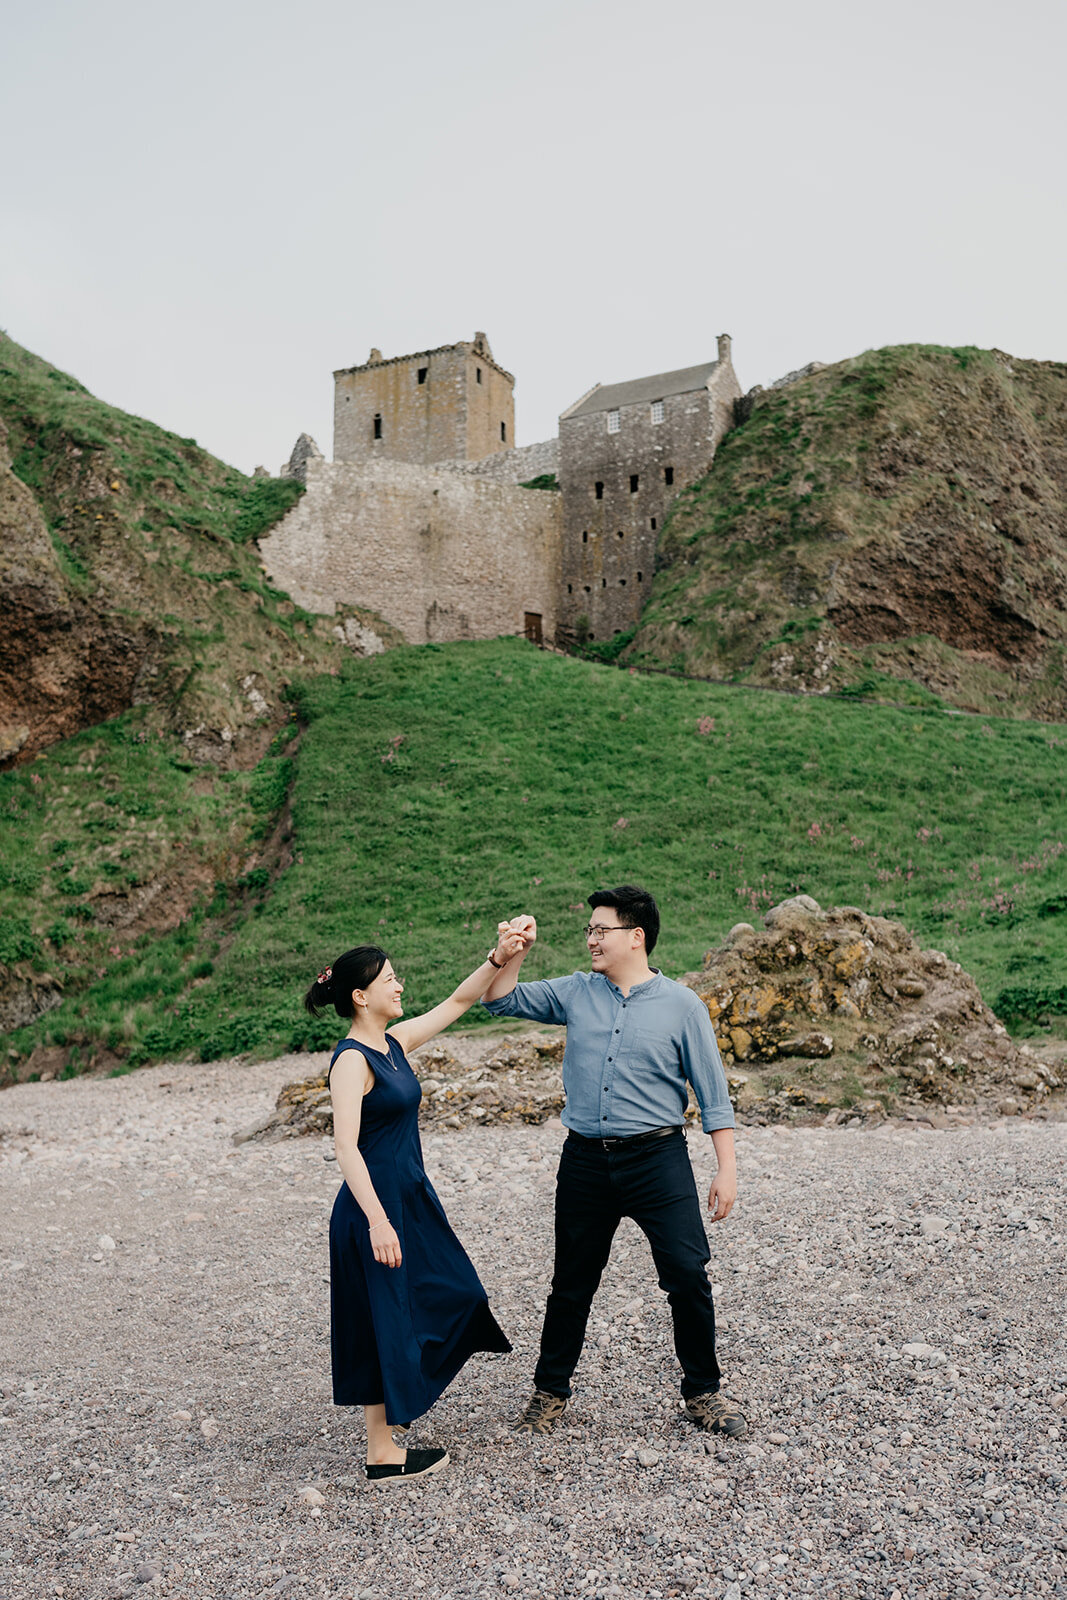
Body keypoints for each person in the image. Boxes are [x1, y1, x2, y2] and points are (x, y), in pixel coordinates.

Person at [482, 885, 746, 1440]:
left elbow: (712, 1094)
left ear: (636, 936)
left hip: (658, 1158)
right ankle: (550, 1392)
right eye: (590, 930)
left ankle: (704, 1393)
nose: (592, 938)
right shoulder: (577, 991)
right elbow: (500, 999)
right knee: (571, 1283)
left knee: (687, 1276)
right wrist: (514, 952)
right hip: (584, 1160)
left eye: (602, 929)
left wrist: (727, 1168)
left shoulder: (683, 1005)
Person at [304, 930, 526, 1483]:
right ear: (361, 996)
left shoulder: (393, 1044)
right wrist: (377, 1221)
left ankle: (398, 1408)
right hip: (373, 1208)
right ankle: (382, 1451)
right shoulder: (352, 1062)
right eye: (388, 980)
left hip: (410, 1197)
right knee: (382, 1319)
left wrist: (501, 958)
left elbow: (457, 1002)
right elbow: (345, 1147)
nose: (399, 985)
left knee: (457, 1295)